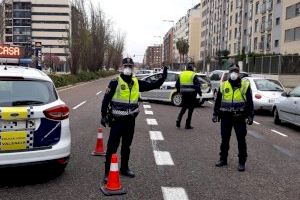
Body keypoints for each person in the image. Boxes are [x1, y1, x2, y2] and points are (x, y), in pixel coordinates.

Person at [101, 58, 168, 183]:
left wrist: (163, 77)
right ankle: (107, 173)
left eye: (130, 66)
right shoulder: (115, 82)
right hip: (117, 121)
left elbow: (152, 85)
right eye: (126, 65)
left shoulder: (136, 82)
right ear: (122, 67)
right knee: (112, 147)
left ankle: (124, 168)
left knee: (127, 146)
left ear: (133, 68)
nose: (128, 67)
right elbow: (106, 99)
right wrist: (103, 115)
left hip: (130, 121)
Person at [212, 64, 254, 172]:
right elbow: (218, 101)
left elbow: (249, 102)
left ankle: (241, 162)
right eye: (232, 71)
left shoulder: (245, 85)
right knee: (224, 139)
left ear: (239, 73)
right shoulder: (223, 85)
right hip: (226, 116)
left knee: (241, 140)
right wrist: (215, 114)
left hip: (239, 117)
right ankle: (223, 159)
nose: (234, 73)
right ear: (229, 73)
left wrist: (250, 116)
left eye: (236, 71)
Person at [176, 62, 202, 129]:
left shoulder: (182, 74)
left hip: (184, 94)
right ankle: (187, 125)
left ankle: (178, 120)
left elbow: (177, 85)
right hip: (192, 95)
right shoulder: (193, 75)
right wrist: (200, 93)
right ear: (192, 68)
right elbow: (197, 85)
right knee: (190, 110)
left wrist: (179, 91)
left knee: (184, 108)